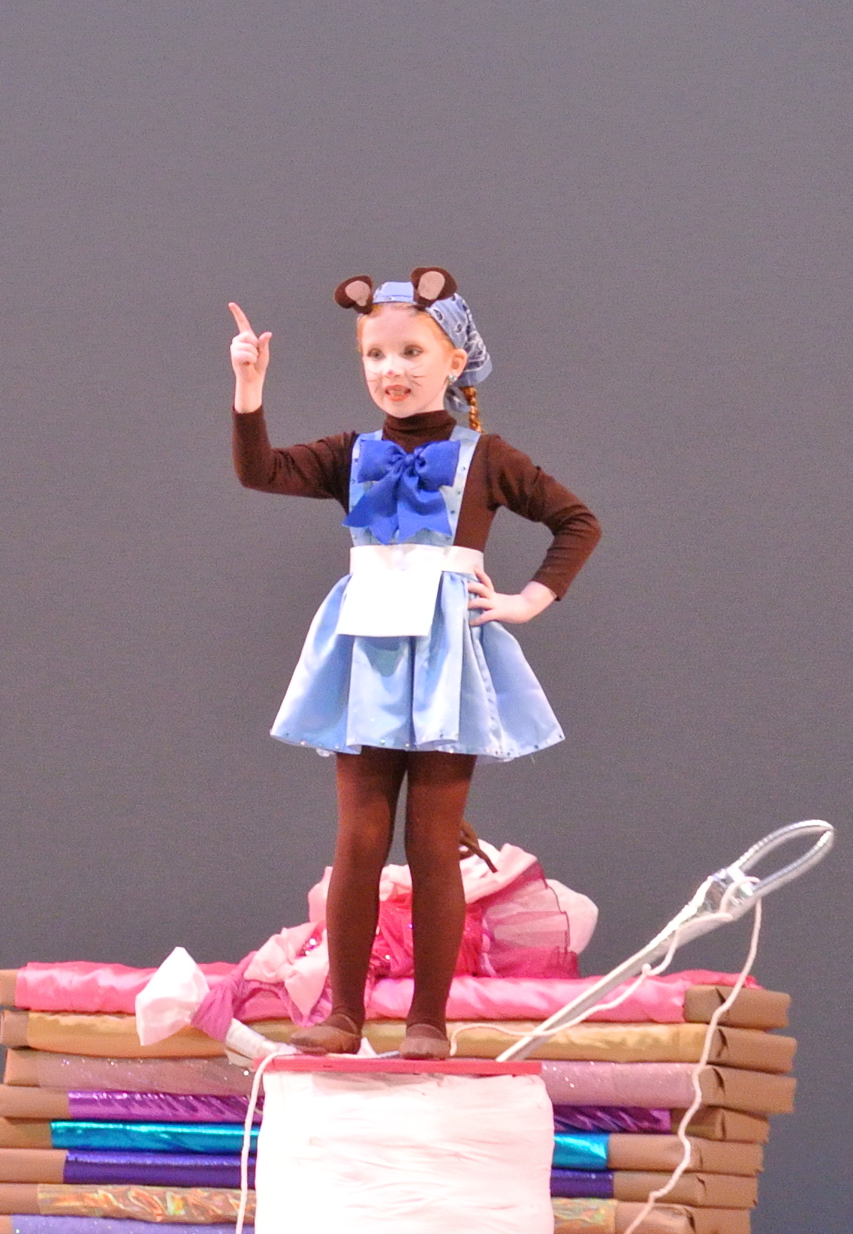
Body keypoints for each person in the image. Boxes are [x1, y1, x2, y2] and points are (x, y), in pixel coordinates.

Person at [227, 271, 598, 1061]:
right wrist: (249, 390)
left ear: (454, 361)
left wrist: (529, 600)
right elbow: (261, 472)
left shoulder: (485, 457)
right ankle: (344, 1015)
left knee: (432, 841)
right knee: (359, 838)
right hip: (368, 653)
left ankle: (429, 1019)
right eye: (375, 354)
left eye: (411, 352)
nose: (391, 369)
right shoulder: (350, 453)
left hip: (444, 660)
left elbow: (576, 521)